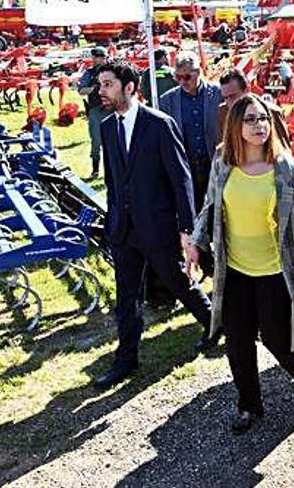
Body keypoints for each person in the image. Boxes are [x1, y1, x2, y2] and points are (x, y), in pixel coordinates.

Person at [185, 93, 294, 434]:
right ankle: (249, 405)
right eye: (250, 119)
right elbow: (210, 208)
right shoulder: (223, 161)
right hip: (234, 271)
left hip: (275, 271)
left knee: (278, 339)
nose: (259, 125)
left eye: (263, 118)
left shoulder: (285, 168)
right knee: (238, 342)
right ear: (235, 125)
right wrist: (195, 242)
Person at [92, 59, 214, 389]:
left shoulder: (160, 124)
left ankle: (215, 324)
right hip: (124, 230)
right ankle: (126, 359)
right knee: (126, 296)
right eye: (101, 84)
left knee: (178, 281)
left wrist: (186, 229)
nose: (101, 90)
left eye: (108, 84)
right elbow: (115, 181)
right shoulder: (107, 127)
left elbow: (181, 178)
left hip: (157, 226)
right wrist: (113, 219)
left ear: (129, 87)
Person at [159, 51, 223, 214]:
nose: (182, 82)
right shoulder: (167, 101)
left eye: (187, 77)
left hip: (215, 164)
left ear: (199, 72)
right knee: (191, 211)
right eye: (178, 77)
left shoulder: (218, 94)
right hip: (186, 167)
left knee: (217, 210)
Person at [217, 68, 290, 150]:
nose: (229, 102)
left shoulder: (272, 112)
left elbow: (285, 149)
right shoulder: (223, 111)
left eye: (233, 96)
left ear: (247, 89)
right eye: (225, 98)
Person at [77, 47, 112, 179]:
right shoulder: (89, 73)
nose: (100, 60)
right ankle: (95, 170)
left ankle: (115, 170)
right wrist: (95, 88)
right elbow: (81, 91)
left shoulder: (113, 71)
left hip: (113, 109)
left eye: (102, 57)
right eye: (98, 57)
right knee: (96, 141)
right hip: (96, 110)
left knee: (115, 141)